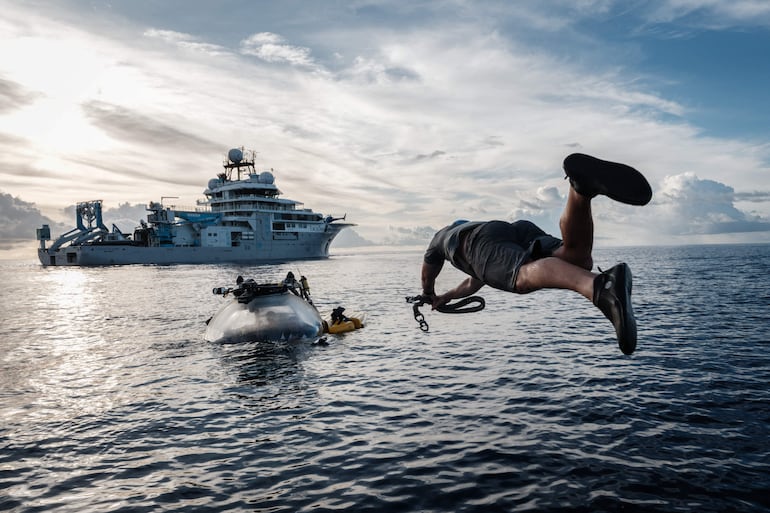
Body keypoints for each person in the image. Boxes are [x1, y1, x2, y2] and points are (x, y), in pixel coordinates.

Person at [421, 153, 652, 355]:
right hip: (511, 229)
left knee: (520, 278)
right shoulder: (482, 257)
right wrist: (446, 296)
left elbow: (428, 269)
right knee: (575, 259)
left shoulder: (444, 237)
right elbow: (472, 283)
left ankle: (601, 287)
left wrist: (428, 291)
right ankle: (580, 190)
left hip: (480, 239)